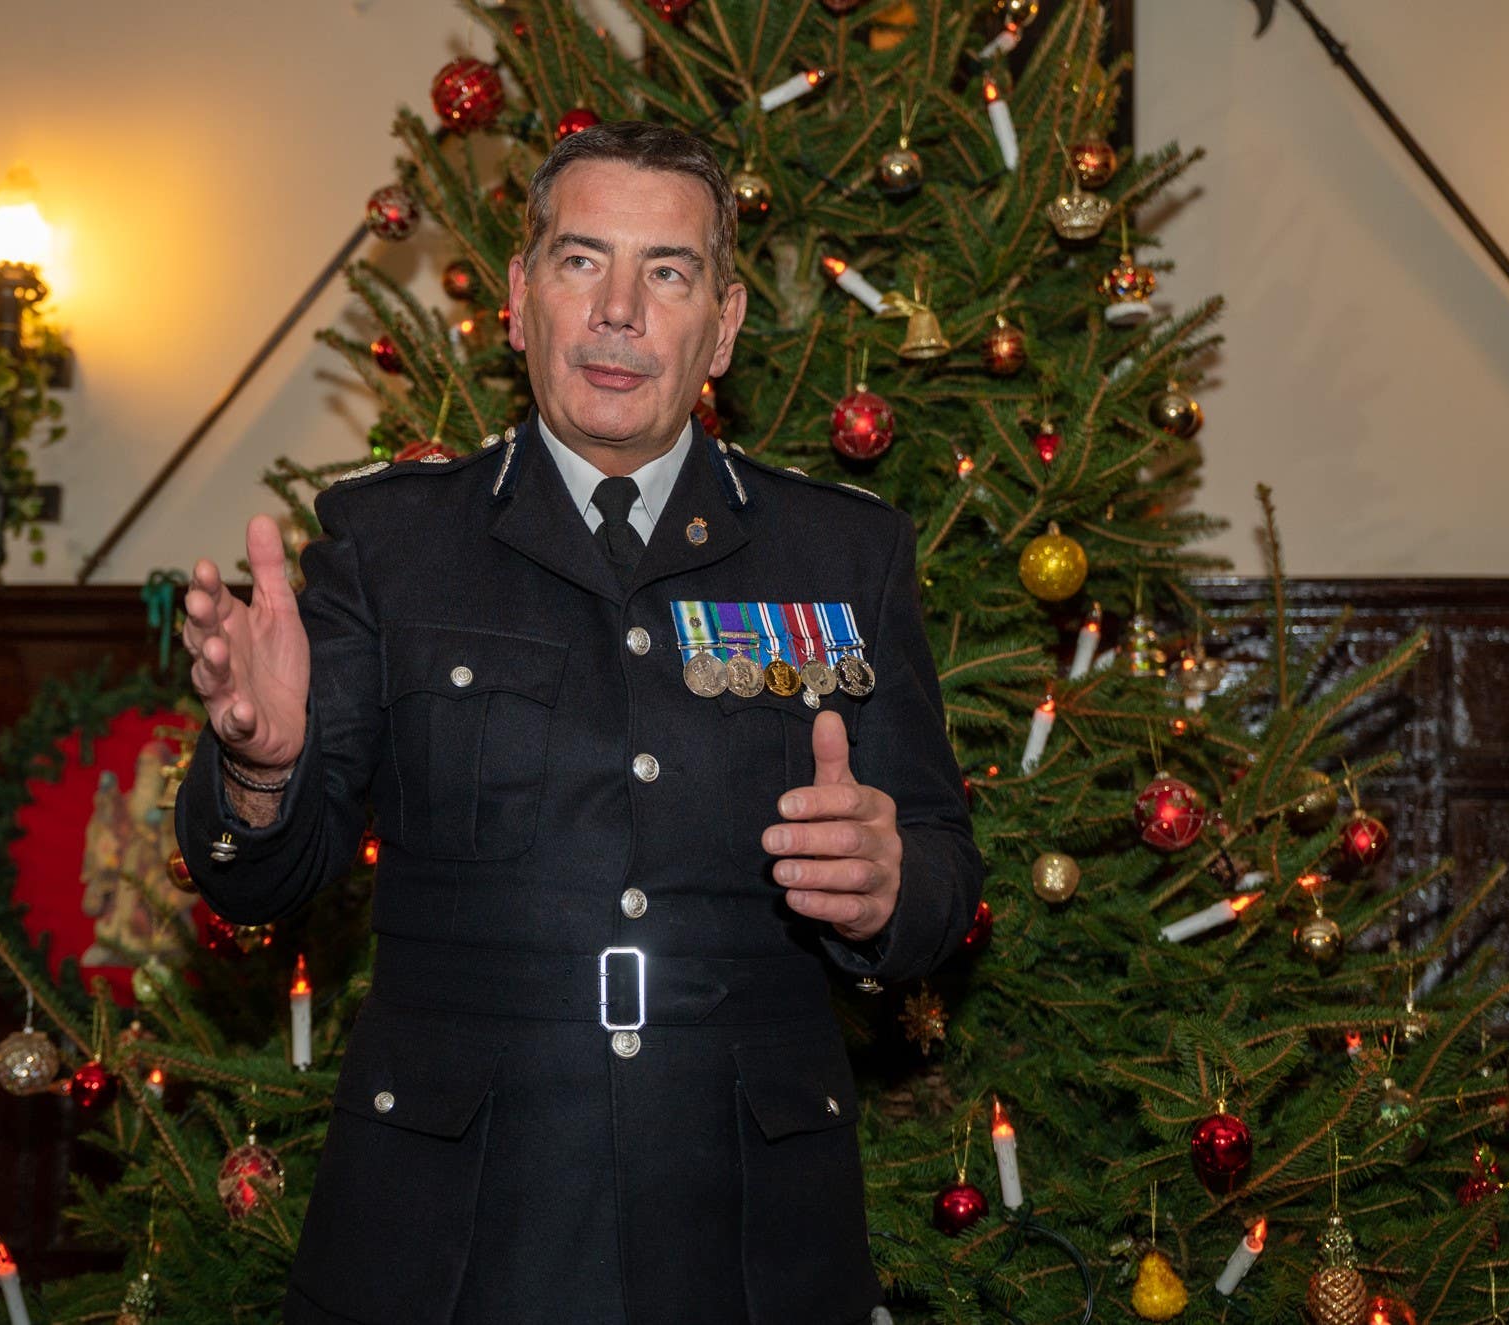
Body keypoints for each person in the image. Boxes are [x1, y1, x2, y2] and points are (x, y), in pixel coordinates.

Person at [175, 120, 982, 1325]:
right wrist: (260, 764)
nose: (618, 311)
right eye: (578, 261)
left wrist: (887, 884)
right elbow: (257, 881)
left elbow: (941, 869)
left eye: (667, 272)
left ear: (721, 324)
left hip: (749, 1234)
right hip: (452, 1231)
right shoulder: (391, 548)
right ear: (517, 301)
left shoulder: (842, 552)